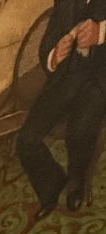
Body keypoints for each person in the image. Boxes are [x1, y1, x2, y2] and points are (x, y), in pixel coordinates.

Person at [17, 0, 106, 218]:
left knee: (80, 131)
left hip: (99, 80)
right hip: (67, 78)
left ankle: (76, 180)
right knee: (26, 140)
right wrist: (54, 55)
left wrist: (101, 33)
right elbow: (47, 43)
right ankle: (52, 185)